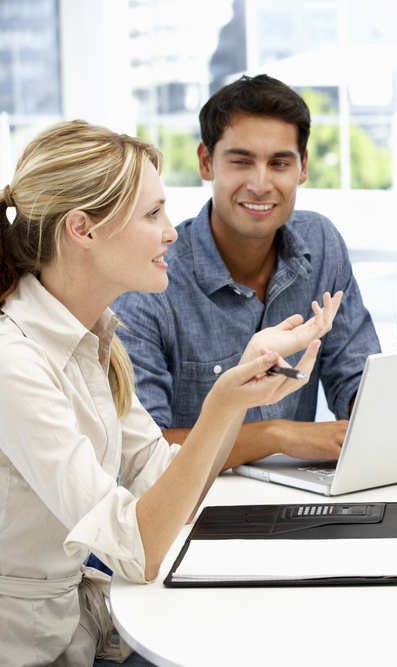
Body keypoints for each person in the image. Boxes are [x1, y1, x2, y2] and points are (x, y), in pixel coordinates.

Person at [0, 120, 337, 665]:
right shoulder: (13, 362)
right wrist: (223, 404)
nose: (172, 232)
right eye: (152, 214)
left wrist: (245, 384)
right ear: (82, 230)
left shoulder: (96, 337)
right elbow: (138, 550)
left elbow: (167, 487)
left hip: (84, 636)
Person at [113, 74, 379, 468]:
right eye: (241, 161)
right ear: (206, 162)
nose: (260, 184)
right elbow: (143, 452)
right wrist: (277, 435)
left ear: (302, 167)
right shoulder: (150, 278)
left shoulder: (322, 244)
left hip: (300, 497)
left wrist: (374, 417)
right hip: (193, 509)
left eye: (279, 163)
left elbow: (356, 377)